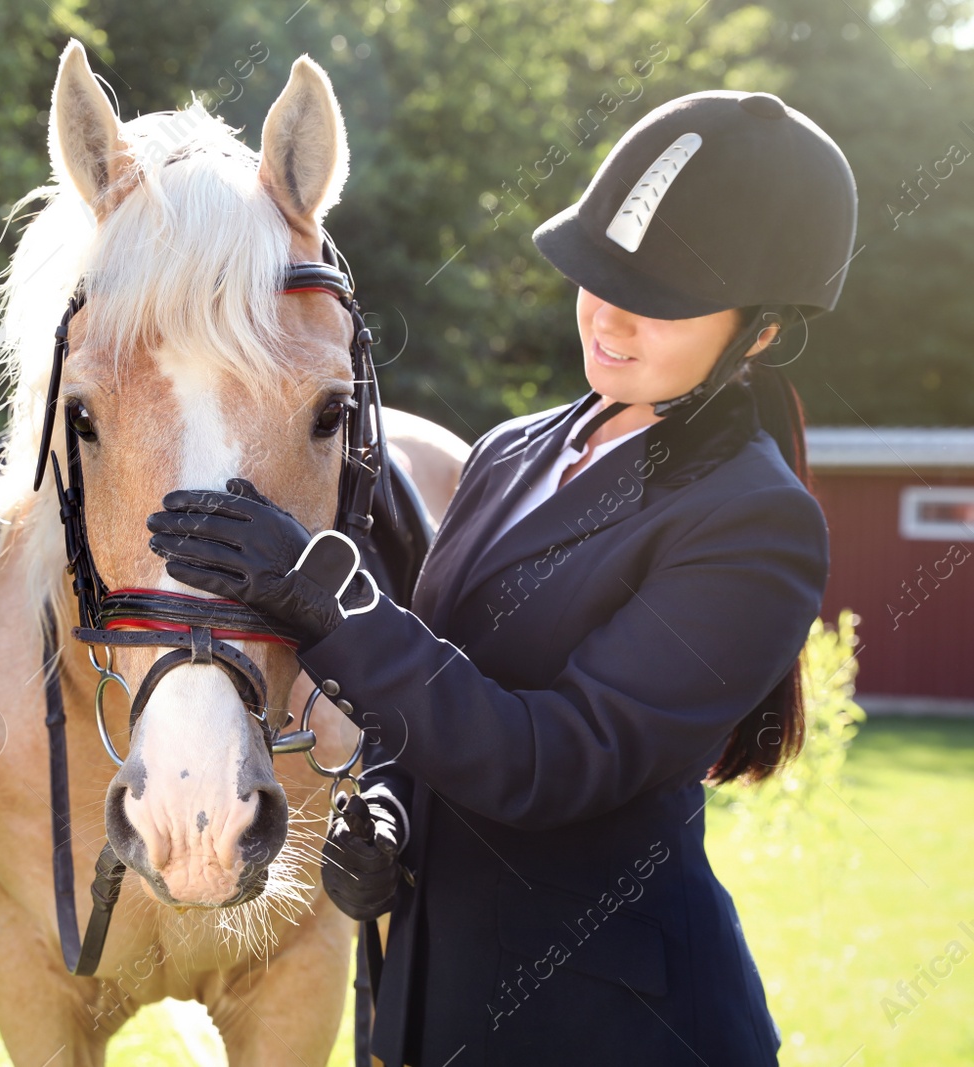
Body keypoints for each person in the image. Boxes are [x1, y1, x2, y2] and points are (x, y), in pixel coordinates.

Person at [145, 89, 858, 1066]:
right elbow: (438, 685)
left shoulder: (752, 522)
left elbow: (547, 759)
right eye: (598, 274)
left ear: (763, 330)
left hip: (609, 1028)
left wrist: (331, 600)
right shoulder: (513, 450)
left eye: (661, 299)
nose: (608, 315)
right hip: (426, 1006)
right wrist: (391, 807)